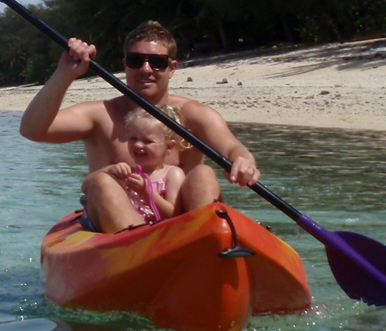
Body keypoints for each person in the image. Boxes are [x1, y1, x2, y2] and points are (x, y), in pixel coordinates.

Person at [20, 21, 261, 233]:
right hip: (114, 233)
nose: (146, 69)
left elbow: (233, 149)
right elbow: (32, 130)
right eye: (136, 60)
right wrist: (64, 74)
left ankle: (205, 242)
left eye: (157, 62)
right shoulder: (99, 114)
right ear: (125, 65)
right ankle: (137, 250)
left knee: (203, 174)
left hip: (181, 225)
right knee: (103, 182)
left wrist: (243, 162)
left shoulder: (195, 115)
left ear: (172, 68)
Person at [82, 105, 187, 226]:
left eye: (147, 141)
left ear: (169, 146)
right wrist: (109, 170)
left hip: (157, 233)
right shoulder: (128, 172)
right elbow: (85, 187)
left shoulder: (173, 174)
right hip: (125, 229)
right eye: (133, 139)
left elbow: (174, 215)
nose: (137, 145)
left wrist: (147, 192)